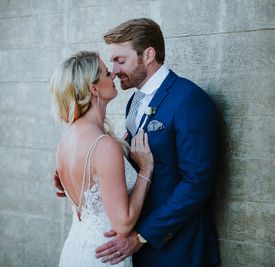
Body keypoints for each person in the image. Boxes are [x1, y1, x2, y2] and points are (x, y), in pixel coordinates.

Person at [93, 18, 220, 266]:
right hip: (136, 244)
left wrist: (142, 236)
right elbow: (131, 162)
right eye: (112, 61)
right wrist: (88, 172)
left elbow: (198, 182)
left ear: (148, 55)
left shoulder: (189, 99)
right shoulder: (134, 101)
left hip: (178, 248)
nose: (115, 70)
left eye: (120, 60)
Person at [50, 51, 154, 267]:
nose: (114, 75)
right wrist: (145, 170)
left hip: (75, 250)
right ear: (94, 88)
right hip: (104, 256)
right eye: (107, 73)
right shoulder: (103, 145)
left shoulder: (66, 138)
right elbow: (123, 224)